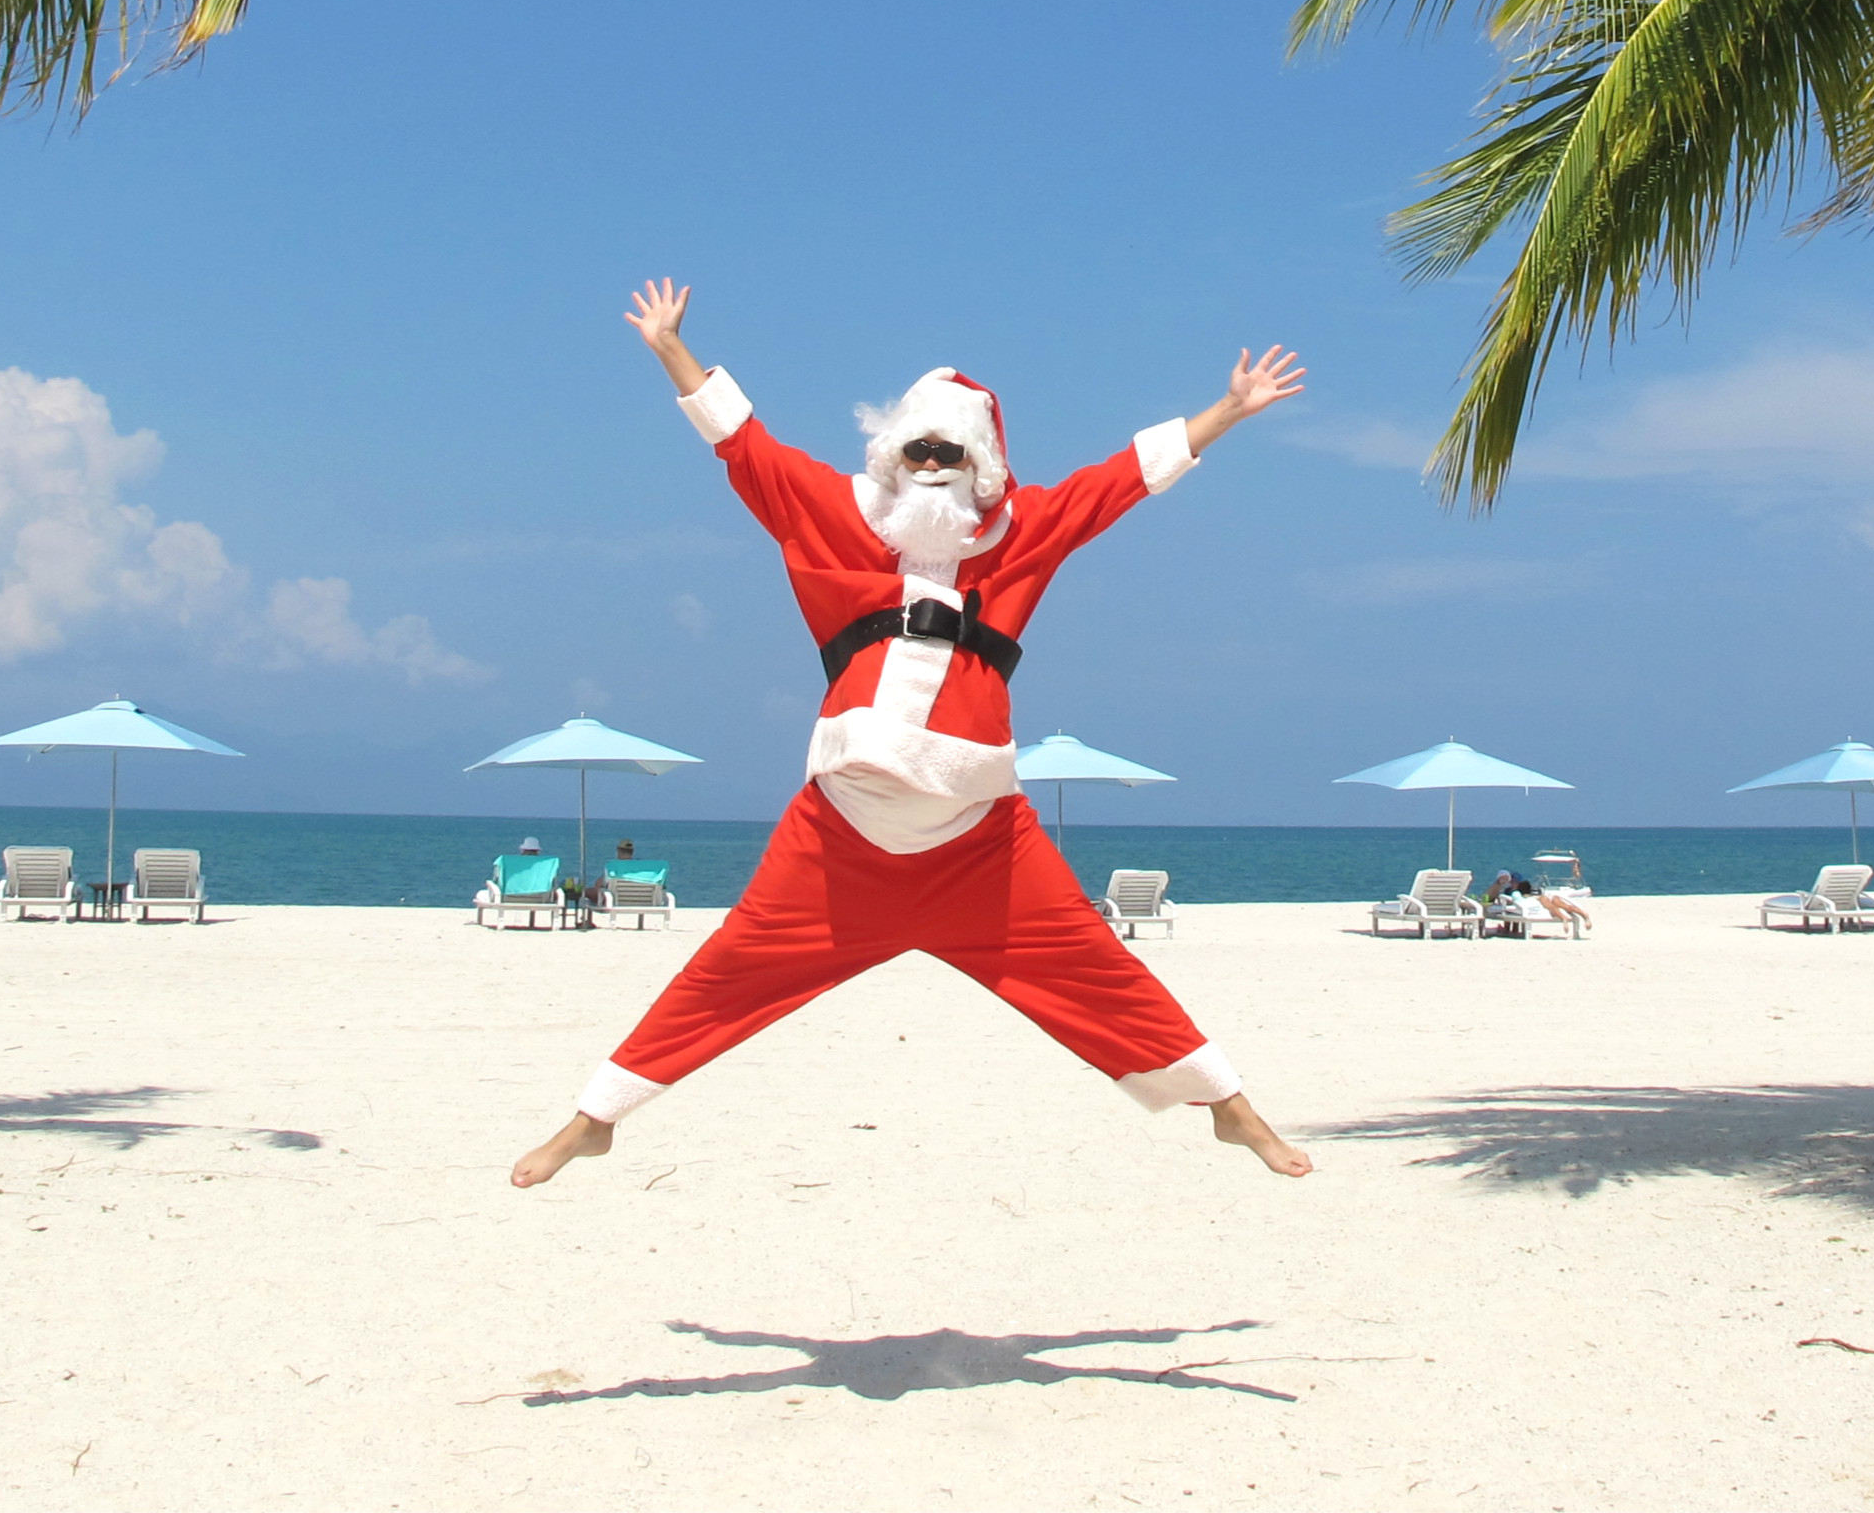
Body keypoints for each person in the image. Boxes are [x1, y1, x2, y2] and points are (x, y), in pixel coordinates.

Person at [509, 280, 1314, 1189]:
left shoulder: (1024, 533)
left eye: (951, 451)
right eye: (919, 448)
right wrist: (669, 349)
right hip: (841, 838)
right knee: (725, 973)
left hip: (980, 844)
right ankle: (596, 1119)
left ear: (983, 465)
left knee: (1099, 975)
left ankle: (1231, 1110)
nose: (934, 465)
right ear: (894, 457)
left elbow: (1121, 479)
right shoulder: (834, 518)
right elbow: (746, 447)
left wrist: (1231, 411)